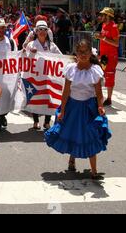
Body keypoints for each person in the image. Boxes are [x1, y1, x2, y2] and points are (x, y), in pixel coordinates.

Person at [45, 39, 111, 180]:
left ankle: (94, 171)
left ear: (89, 52)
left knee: (90, 136)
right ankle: (72, 160)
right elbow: (66, 92)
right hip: (73, 107)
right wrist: (62, 110)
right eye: (80, 52)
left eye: (85, 52)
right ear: (76, 53)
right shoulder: (71, 69)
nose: (83, 55)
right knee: (73, 133)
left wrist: (100, 106)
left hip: (89, 108)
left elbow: (99, 94)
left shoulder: (95, 71)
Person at [24, 21, 62, 130]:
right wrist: (31, 52)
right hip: (34, 77)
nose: (42, 32)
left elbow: (60, 57)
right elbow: (25, 58)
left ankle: (46, 122)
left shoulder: (51, 45)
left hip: (48, 77)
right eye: (40, 29)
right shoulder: (31, 44)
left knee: (48, 99)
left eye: (44, 30)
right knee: (35, 98)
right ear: (36, 31)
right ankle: (36, 121)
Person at [94, 7, 120, 107]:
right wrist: (99, 36)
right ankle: (101, 97)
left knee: (109, 76)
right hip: (104, 56)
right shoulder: (104, 25)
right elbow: (103, 38)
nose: (101, 16)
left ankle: (109, 99)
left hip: (111, 56)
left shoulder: (114, 27)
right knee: (101, 74)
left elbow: (116, 44)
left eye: (103, 15)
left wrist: (103, 38)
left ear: (108, 16)